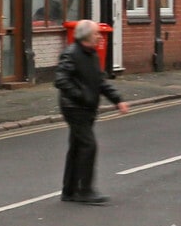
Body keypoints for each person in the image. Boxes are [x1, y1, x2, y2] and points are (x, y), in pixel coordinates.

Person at [55, 18, 128, 203]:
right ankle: (85, 190)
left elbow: (100, 81)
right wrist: (81, 95)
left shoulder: (92, 54)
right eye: (96, 33)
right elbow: (61, 80)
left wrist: (117, 100)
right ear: (87, 35)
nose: (99, 36)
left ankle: (69, 190)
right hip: (74, 107)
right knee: (88, 145)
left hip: (86, 108)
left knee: (77, 146)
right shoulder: (71, 54)